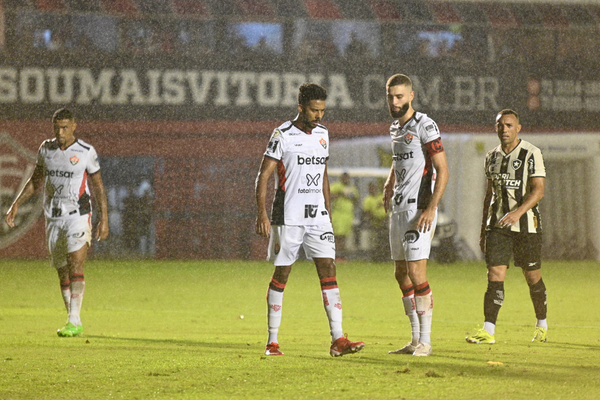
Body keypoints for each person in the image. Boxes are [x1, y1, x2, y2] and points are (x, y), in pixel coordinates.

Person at [255, 83, 365, 357]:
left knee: (328, 269)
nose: (319, 116)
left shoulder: (323, 134)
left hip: (318, 218)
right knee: (282, 273)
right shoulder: (282, 135)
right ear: (300, 107)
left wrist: (326, 209)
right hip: (288, 217)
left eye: (323, 111)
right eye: (314, 110)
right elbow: (263, 176)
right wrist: (262, 214)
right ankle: (272, 341)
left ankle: (338, 339)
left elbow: (324, 173)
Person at [5, 108, 109, 337]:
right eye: (57, 128)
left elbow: (98, 187)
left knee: (75, 265)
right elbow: (36, 180)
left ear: (74, 126)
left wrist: (104, 218)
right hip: (53, 216)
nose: (60, 132)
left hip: (78, 215)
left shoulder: (85, 152)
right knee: (62, 271)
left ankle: (74, 320)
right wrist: (16, 204)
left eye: (65, 127)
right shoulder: (46, 149)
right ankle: (72, 318)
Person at [466, 109, 547, 344]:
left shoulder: (532, 153)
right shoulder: (491, 156)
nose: (504, 130)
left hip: (526, 226)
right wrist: (483, 230)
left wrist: (517, 213)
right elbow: (489, 194)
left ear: (518, 128)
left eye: (509, 125)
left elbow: (539, 190)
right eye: (500, 125)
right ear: (495, 128)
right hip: (498, 226)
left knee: (532, 276)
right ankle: (488, 331)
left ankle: (541, 323)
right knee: (495, 274)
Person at [383, 74, 449, 357]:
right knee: (401, 274)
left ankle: (426, 340)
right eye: (390, 97)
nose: (394, 102)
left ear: (411, 96)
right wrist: (389, 181)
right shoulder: (394, 128)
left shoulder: (426, 125)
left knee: (416, 273)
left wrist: (431, 207)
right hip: (397, 209)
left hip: (418, 209)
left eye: (399, 96)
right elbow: (400, 160)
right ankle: (413, 339)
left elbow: (442, 169)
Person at [330, 172, 359, 259]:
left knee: (344, 236)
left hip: (348, 216)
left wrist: (351, 196)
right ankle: (336, 255)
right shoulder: (336, 186)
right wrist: (339, 194)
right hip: (338, 214)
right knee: (337, 236)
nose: (346, 180)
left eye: (347, 178)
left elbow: (356, 200)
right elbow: (329, 195)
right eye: (344, 178)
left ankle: (342, 255)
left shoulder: (352, 188)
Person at [361, 181, 388, 261]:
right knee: (375, 240)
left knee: (384, 240)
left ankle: (384, 256)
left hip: (384, 221)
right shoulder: (368, 200)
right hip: (374, 222)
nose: (372, 190)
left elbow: (389, 205)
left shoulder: (381, 196)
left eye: (373, 188)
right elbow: (366, 212)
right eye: (370, 188)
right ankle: (376, 257)